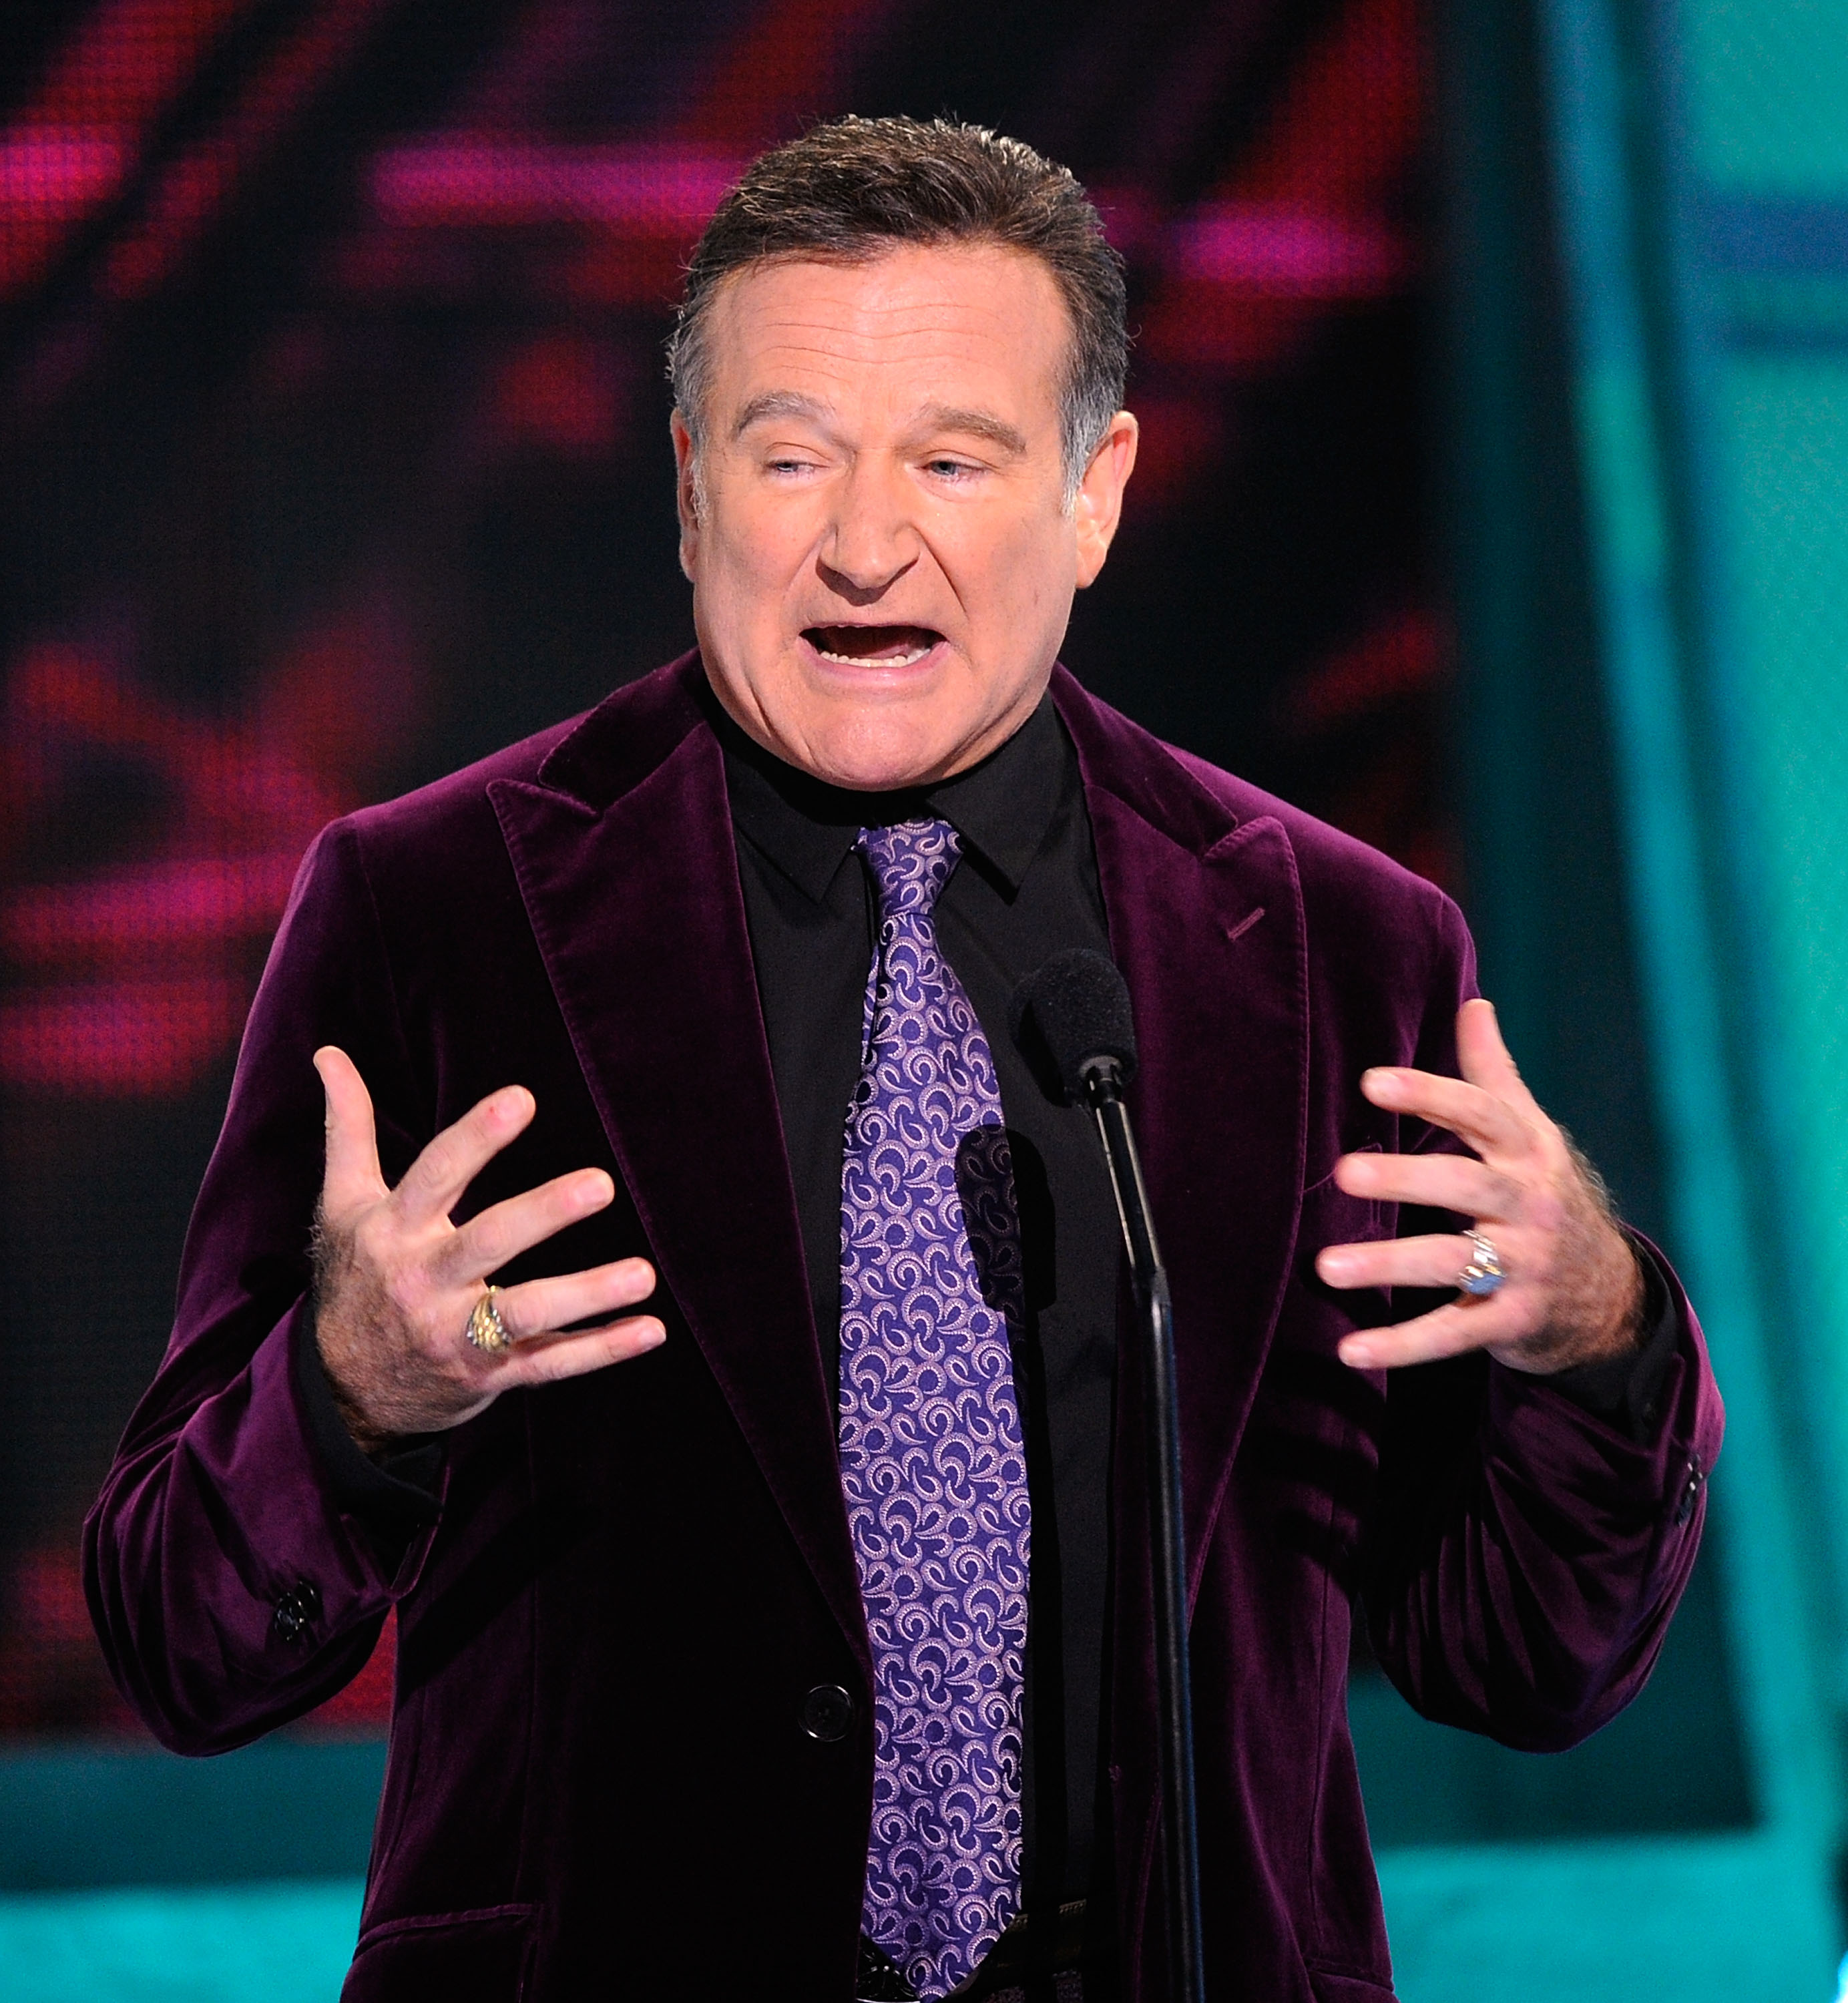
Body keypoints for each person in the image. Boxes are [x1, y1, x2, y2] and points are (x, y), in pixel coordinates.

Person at [85, 118, 1720, 2003]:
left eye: (954, 458)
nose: (867, 543)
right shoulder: (433, 912)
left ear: (1095, 490)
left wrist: (1599, 1332)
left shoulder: (1346, 949)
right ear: (693, 492)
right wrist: (348, 1403)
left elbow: (1522, 1663)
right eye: (793, 458)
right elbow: (177, 1640)